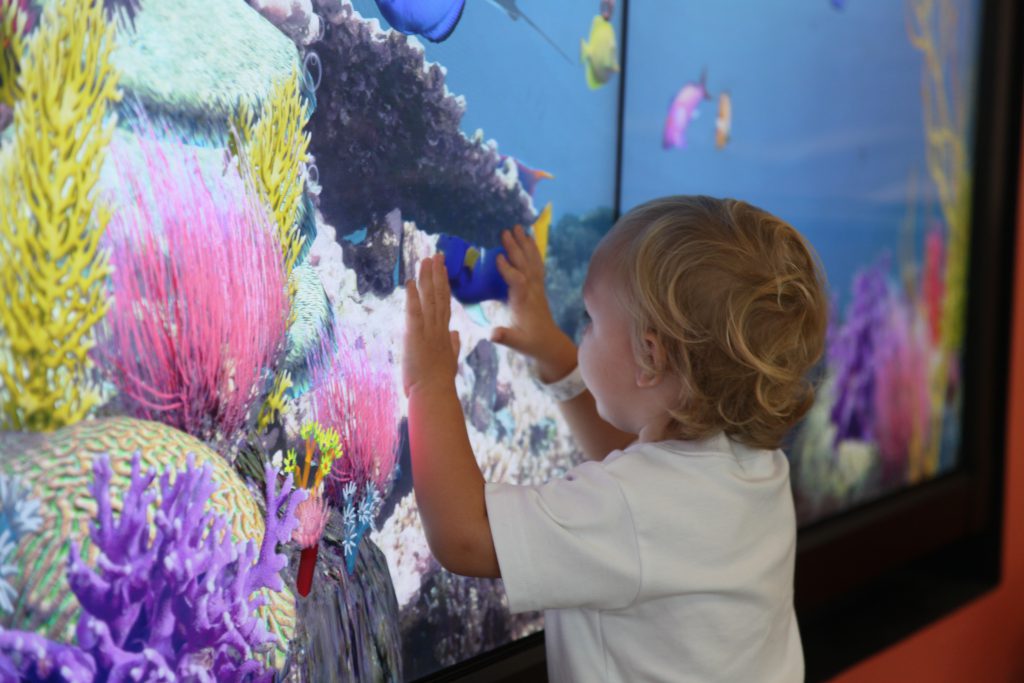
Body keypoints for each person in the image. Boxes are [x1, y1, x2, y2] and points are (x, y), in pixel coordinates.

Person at [402, 195, 829, 682]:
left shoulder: (634, 508)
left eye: (590, 319)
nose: (581, 330)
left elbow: (465, 536)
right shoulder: (756, 466)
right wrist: (553, 351)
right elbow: (632, 462)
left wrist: (429, 383)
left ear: (650, 357)